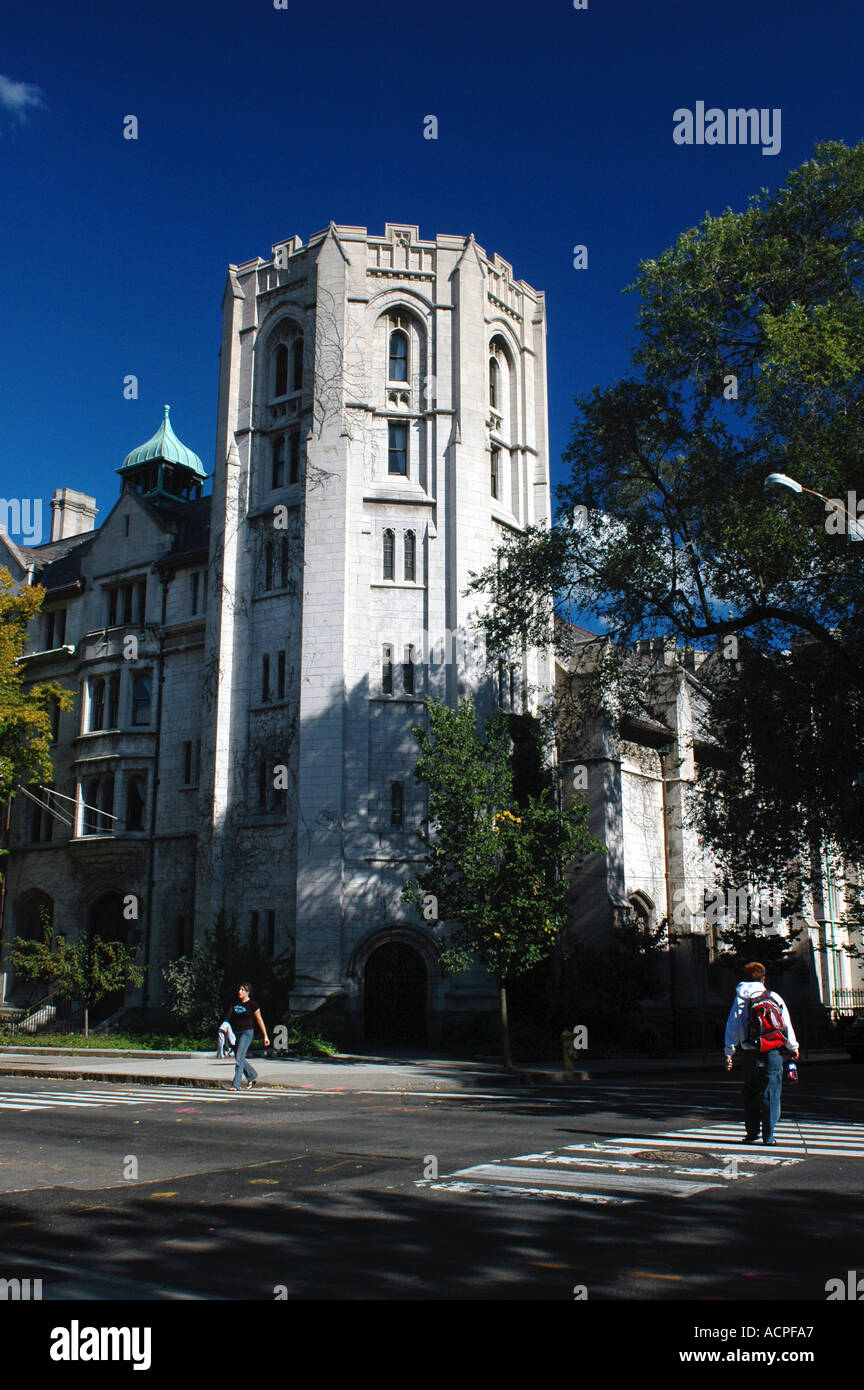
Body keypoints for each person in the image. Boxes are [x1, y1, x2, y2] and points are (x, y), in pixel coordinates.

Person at [723, 961, 799, 1144]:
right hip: (772, 1051)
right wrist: (793, 1048)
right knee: (771, 1092)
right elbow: (785, 1025)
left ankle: (751, 1133)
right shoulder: (774, 997)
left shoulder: (740, 998)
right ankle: (769, 1135)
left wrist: (729, 1053)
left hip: (750, 1053)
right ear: (763, 978)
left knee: (750, 1092)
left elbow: (732, 1026)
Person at [225, 983, 270, 1091]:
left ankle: (236, 1084)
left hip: (247, 1033)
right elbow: (229, 1016)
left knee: (240, 1056)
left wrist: (265, 1036)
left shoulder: (252, 1004)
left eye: (243, 990)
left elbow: (259, 1020)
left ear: (248, 992)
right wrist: (224, 1027)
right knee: (238, 1057)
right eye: (239, 989)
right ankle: (252, 1075)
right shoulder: (235, 1003)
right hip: (235, 1033)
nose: (240, 992)